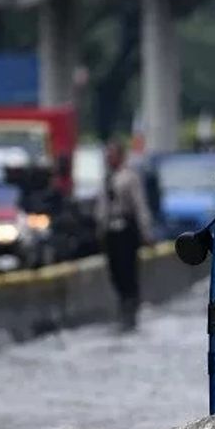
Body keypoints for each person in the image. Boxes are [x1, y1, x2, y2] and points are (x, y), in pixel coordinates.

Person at [95, 141, 155, 331]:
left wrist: (146, 231)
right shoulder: (106, 178)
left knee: (128, 268)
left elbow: (139, 205)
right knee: (115, 270)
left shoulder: (129, 178)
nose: (108, 159)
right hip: (110, 229)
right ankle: (122, 301)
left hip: (126, 229)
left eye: (112, 155)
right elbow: (101, 206)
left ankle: (131, 306)